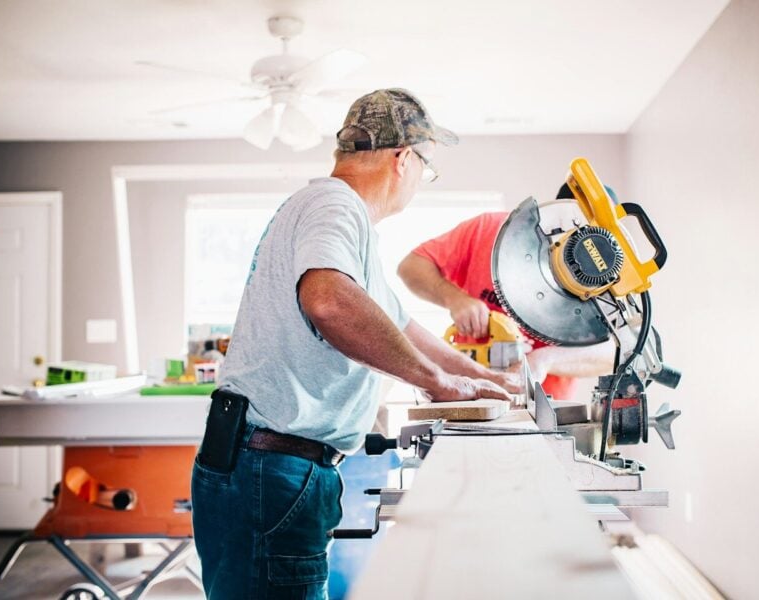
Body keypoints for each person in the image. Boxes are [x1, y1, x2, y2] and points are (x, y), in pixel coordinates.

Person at [191, 89, 517, 600]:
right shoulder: (333, 203)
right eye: (425, 169)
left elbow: (401, 325)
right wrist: (437, 382)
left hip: (272, 466)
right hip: (271, 469)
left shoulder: (342, 219)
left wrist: (480, 379)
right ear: (403, 158)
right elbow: (329, 302)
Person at [397, 183, 617, 401]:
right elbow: (411, 266)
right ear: (554, 211)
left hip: (544, 406)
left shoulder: (603, 277)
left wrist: (545, 359)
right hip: (466, 392)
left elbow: (613, 353)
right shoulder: (489, 230)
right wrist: (454, 299)